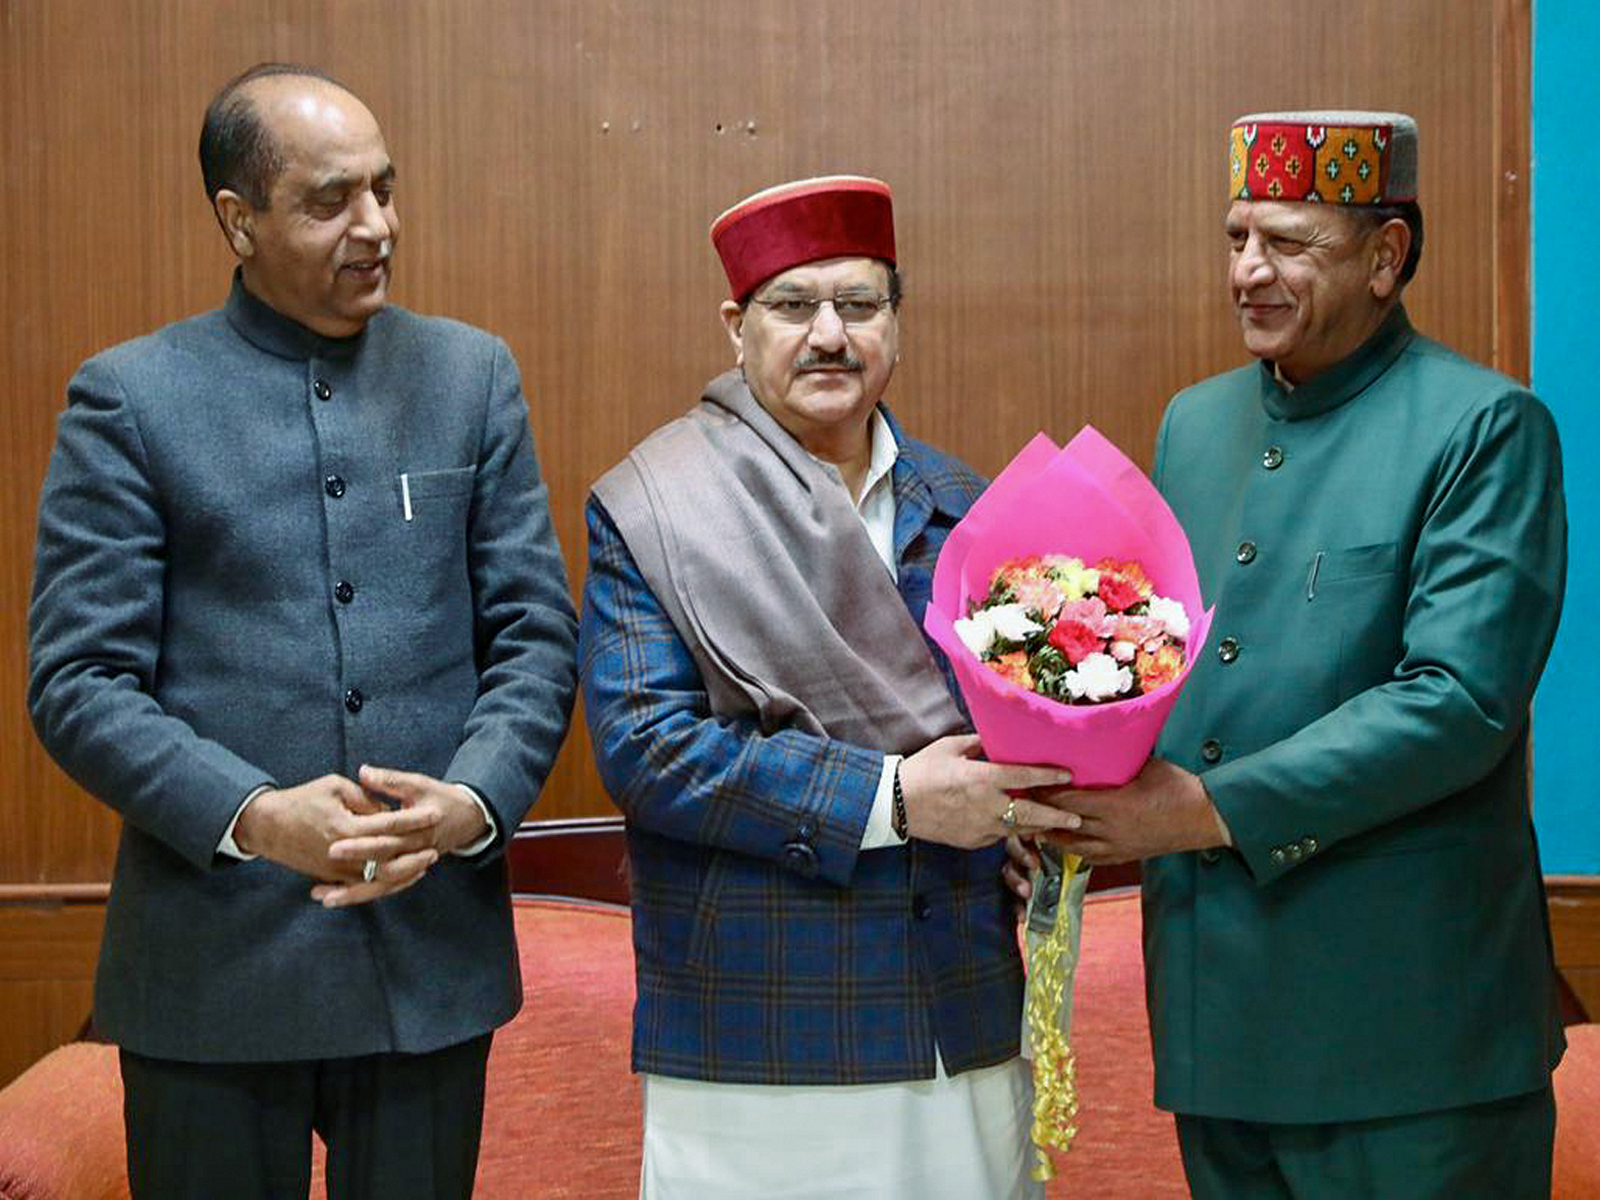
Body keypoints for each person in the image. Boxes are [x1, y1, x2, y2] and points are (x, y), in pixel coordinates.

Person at [27, 63, 578, 1199]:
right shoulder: (130, 398)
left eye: (384, 188)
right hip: (211, 971)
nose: (376, 225)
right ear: (240, 220)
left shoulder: (471, 376)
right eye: (332, 201)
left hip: (428, 959)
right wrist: (253, 816)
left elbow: (533, 635)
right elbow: (78, 681)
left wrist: (471, 801)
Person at [1017, 110, 1568, 1197]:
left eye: (1289, 243)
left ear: (1385, 256)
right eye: (1237, 238)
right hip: (1217, 1025)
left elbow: (1457, 702)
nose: (1249, 272)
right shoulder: (1195, 423)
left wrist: (1197, 812)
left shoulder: (1484, 427)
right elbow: (1169, 663)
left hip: (1410, 1047)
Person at [578, 175, 1080, 1199]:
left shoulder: (968, 506)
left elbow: (1016, 742)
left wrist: (1030, 826)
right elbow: (649, 751)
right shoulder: (660, 506)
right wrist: (894, 800)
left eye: (857, 304)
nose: (827, 335)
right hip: (757, 1022)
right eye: (793, 305)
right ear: (737, 327)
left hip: (956, 1009)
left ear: (896, 321)